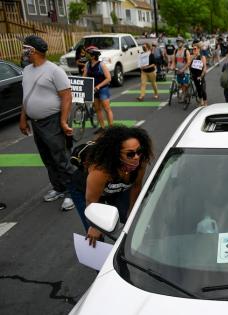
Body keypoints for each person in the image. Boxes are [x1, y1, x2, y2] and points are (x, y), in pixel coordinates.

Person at [18, 35, 75, 211]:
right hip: (36, 122)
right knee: (48, 158)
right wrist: (23, 118)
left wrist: (63, 121)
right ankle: (59, 188)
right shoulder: (27, 70)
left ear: (32, 50)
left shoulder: (54, 71)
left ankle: (72, 192)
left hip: (52, 121)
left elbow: (66, 97)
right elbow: (27, 96)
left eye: (25, 48)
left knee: (61, 158)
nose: (23, 51)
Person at [79, 126, 153, 246]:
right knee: (96, 233)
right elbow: (91, 201)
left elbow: (136, 187)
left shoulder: (140, 163)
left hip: (117, 188)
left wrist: (133, 213)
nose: (136, 157)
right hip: (90, 193)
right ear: (116, 155)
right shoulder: (101, 171)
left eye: (139, 151)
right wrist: (95, 225)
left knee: (126, 218)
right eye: (130, 154)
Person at [84, 46, 113, 133]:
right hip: (93, 89)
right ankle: (102, 127)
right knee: (97, 109)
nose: (86, 55)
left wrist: (98, 86)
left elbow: (108, 78)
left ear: (93, 56)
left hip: (102, 89)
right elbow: (84, 75)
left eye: (88, 54)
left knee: (107, 108)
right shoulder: (87, 64)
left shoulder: (101, 65)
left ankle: (111, 128)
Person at [170, 37, 191, 103]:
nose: (178, 43)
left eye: (180, 42)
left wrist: (183, 69)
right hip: (178, 70)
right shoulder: (175, 51)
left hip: (185, 70)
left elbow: (189, 62)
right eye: (177, 42)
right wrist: (172, 66)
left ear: (183, 43)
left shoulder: (186, 51)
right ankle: (184, 93)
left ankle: (184, 95)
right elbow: (173, 61)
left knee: (185, 84)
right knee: (180, 84)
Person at [190, 42, 208, 106]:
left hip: (200, 76)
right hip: (194, 76)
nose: (193, 50)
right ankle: (201, 101)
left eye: (195, 49)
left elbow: (205, 67)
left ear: (198, 49)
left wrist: (201, 75)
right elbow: (190, 66)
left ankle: (205, 103)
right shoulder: (192, 57)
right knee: (198, 89)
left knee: (202, 89)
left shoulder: (202, 57)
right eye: (193, 49)